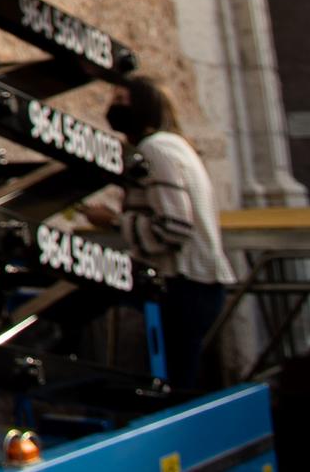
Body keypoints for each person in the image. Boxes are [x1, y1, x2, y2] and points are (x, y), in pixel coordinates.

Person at [84, 76, 234, 389]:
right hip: (194, 283)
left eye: (122, 100)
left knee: (178, 382)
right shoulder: (171, 146)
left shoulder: (156, 151)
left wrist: (113, 221)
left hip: (186, 284)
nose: (114, 107)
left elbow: (175, 227)